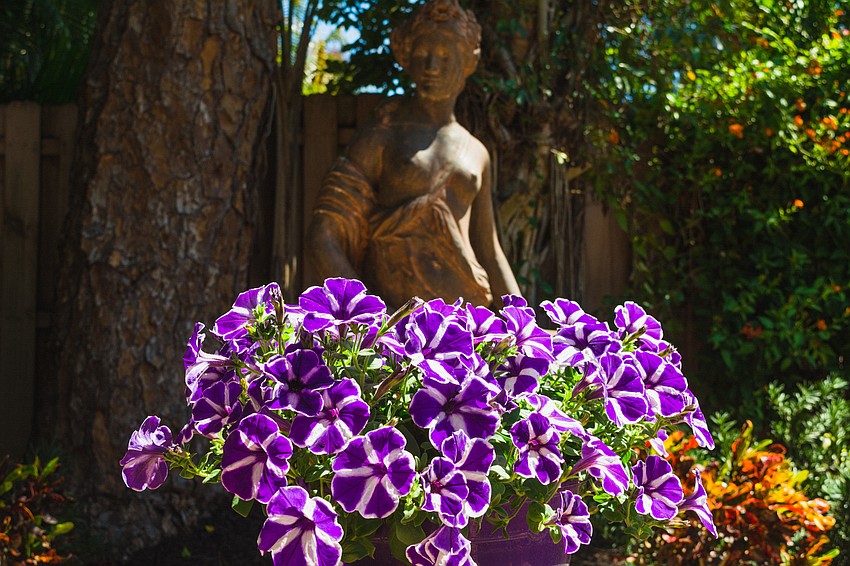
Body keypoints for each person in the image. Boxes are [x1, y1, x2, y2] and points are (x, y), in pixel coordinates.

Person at [307, 0, 520, 308]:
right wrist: (369, 317)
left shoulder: (476, 151)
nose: (433, 65)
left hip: (467, 321)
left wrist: (525, 326)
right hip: (397, 330)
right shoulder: (383, 134)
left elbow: (489, 250)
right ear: (406, 57)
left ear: (468, 62)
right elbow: (322, 236)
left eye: (446, 55)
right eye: (423, 53)